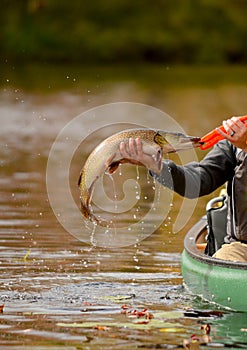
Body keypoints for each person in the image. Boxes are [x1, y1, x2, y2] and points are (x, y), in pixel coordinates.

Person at [119, 116, 247, 263]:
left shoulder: (242, 142)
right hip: (242, 249)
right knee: (227, 258)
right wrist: (156, 166)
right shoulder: (233, 144)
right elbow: (197, 183)